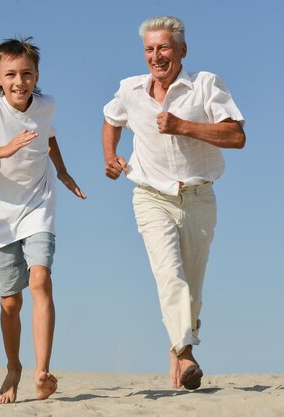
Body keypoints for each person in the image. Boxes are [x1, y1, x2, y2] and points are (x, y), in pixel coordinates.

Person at [102, 16, 245, 390]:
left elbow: (236, 135)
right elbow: (110, 118)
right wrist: (110, 155)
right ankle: (185, 353)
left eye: (164, 47)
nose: (156, 56)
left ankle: (180, 363)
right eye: (149, 49)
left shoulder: (206, 85)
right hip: (151, 197)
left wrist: (184, 126)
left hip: (198, 197)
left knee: (192, 291)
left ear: (182, 50)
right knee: (169, 275)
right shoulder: (130, 90)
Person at [0, 37, 86, 403]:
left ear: (37, 75)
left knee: (41, 278)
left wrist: (62, 171)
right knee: (10, 303)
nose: (19, 81)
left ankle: (43, 372)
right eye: (10, 74)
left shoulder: (46, 106)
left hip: (38, 204)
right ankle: (14, 366)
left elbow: (49, 137)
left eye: (27, 74)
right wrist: (5, 149)